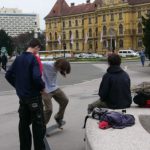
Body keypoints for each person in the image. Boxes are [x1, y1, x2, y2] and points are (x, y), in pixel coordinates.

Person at [5, 39, 46, 150]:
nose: (37, 52)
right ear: (36, 47)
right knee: (38, 127)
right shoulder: (33, 59)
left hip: (22, 98)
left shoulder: (18, 59)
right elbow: (37, 77)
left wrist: (18, 86)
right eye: (38, 49)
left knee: (23, 126)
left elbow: (8, 75)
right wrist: (42, 87)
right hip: (34, 97)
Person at [42, 59, 71, 127]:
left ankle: (58, 117)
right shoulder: (46, 64)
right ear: (58, 65)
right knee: (49, 110)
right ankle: (42, 126)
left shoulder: (59, 67)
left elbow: (61, 69)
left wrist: (62, 72)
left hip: (54, 88)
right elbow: (35, 62)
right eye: (61, 69)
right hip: (45, 90)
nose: (60, 70)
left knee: (65, 100)